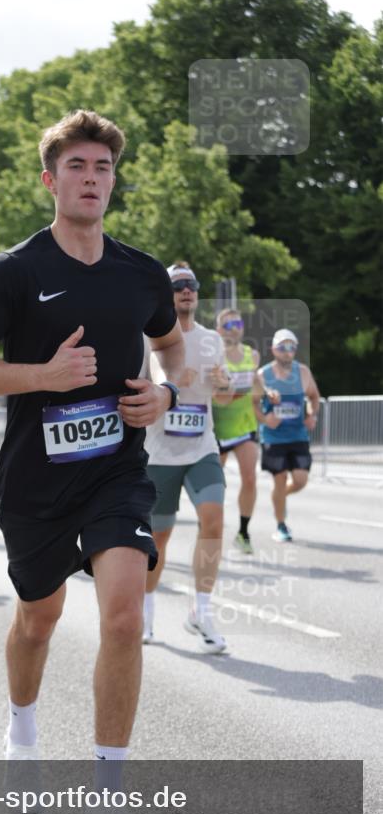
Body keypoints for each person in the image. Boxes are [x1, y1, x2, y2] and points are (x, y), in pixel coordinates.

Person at [0, 110, 184, 798]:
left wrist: (165, 394)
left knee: (123, 614)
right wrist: (41, 377)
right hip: (34, 480)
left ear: (113, 182)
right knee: (37, 620)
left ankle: (110, 798)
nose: (90, 177)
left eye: (101, 167)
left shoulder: (141, 275)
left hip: (116, 471)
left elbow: (171, 348)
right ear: (50, 181)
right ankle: (22, 734)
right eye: (76, 166)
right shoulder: (13, 273)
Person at [142, 262, 233, 653]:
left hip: (201, 447)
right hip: (159, 453)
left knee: (213, 516)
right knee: (158, 537)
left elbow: (225, 397)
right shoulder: (147, 337)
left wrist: (223, 385)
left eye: (191, 284)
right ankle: (145, 609)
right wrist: (173, 385)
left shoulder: (212, 339)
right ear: (166, 293)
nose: (186, 290)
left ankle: (202, 610)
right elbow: (140, 387)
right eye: (177, 285)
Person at [253, 328, 320, 542]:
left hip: (298, 435)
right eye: (283, 347)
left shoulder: (303, 373)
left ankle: (279, 499)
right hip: (273, 437)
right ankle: (281, 525)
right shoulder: (263, 375)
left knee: (300, 480)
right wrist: (265, 419)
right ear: (274, 349)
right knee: (279, 479)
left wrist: (311, 414)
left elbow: (314, 397)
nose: (287, 351)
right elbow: (252, 404)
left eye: (291, 347)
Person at [212, 308, 260, 554]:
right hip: (217, 429)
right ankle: (208, 526)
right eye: (228, 324)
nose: (234, 327)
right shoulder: (214, 357)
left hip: (244, 426)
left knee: (250, 478)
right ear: (219, 330)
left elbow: (257, 383)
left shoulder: (253, 355)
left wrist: (267, 392)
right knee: (215, 485)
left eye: (237, 323)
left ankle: (243, 531)